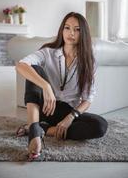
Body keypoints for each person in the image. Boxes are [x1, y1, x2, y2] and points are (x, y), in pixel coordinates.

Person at [16, 12, 108, 161]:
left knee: (100, 125)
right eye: (67, 27)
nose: (71, 33)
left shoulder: (89, 62)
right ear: (62, 30)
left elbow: (88, 99)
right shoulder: (48, 52)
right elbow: (21, 65)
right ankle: (34, 131)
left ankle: (44, 129)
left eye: (77, 29)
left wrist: (70, 118)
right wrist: (45, 86)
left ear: (83, 33)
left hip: (66, 112)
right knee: (34, 69)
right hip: (43, 107)